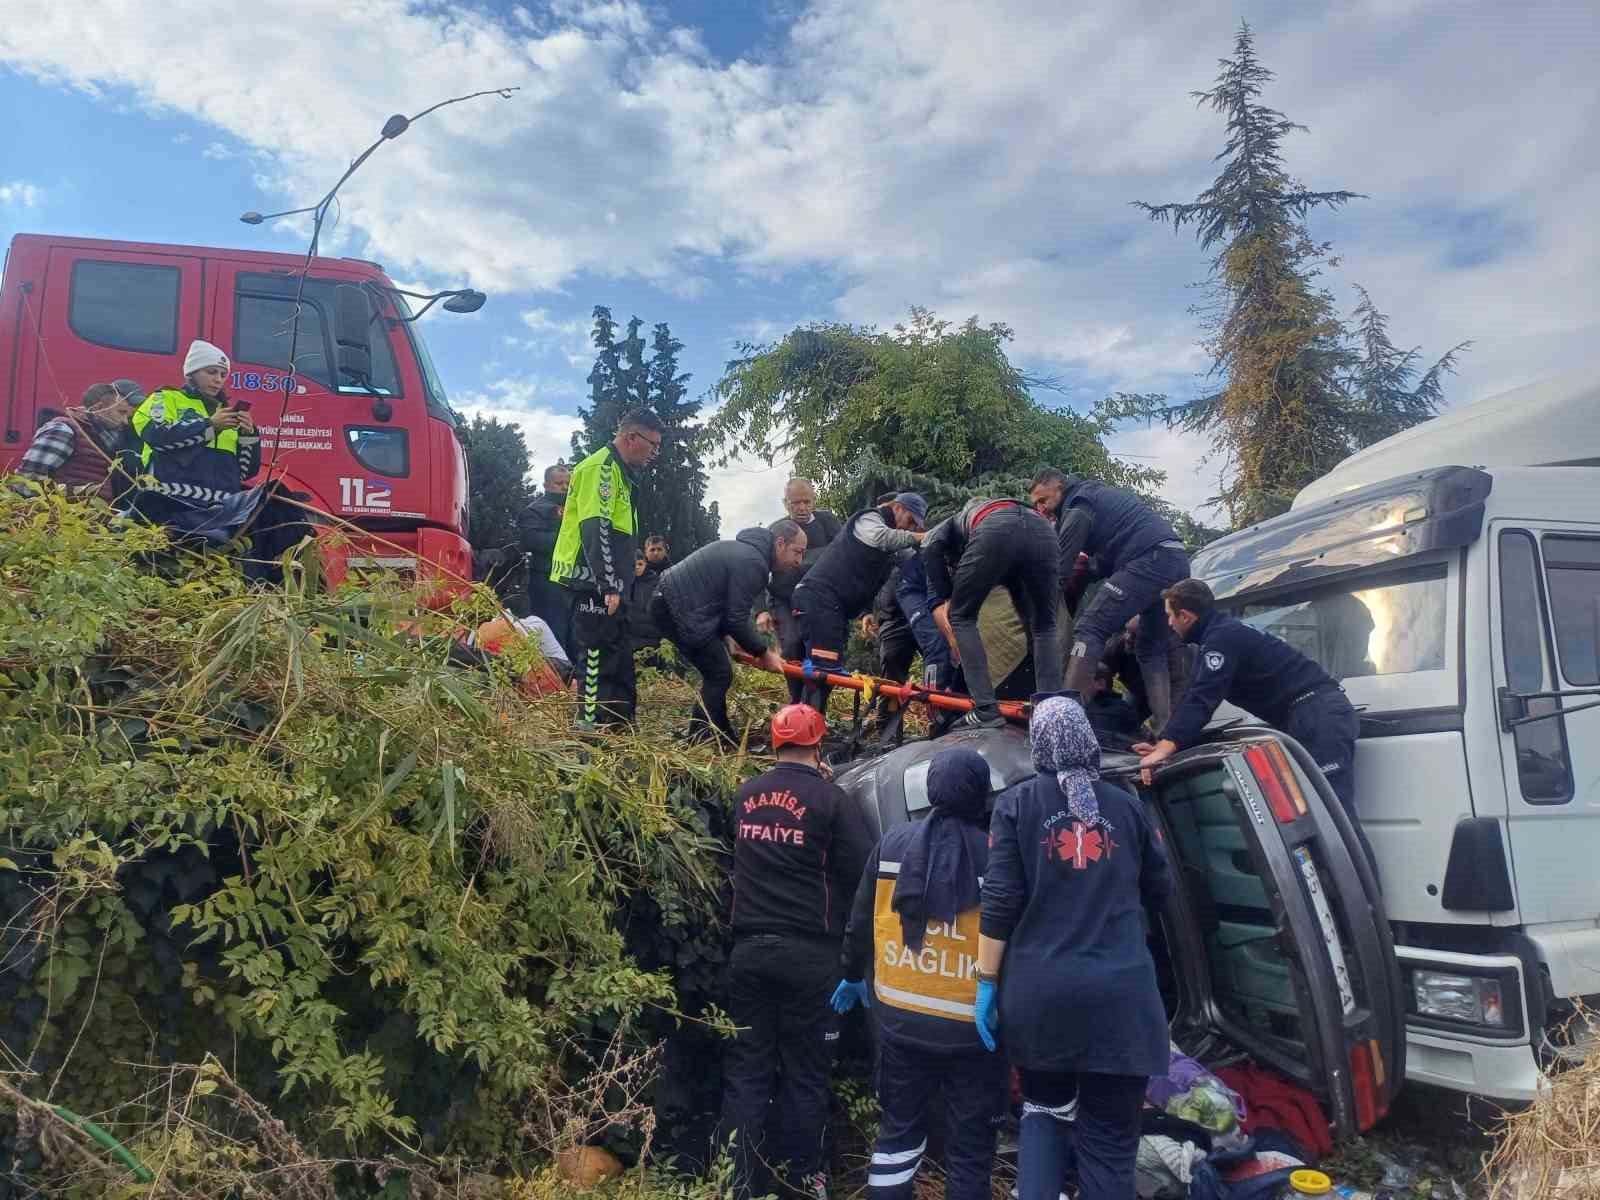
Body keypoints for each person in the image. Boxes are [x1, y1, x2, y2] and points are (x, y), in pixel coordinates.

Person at [977, 695, 1173, 1200]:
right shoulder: (1127, 807)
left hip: (1043, 998)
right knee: (1108, 1141)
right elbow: (1164, 890)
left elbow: (998, 902)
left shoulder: (1016, 806)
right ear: (1086, 740)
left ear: (1039, 744)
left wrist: (985, 984)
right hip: (1122, 1001)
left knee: (1044, 1113)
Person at [834, 747, 1004, 1200]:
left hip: (901, 1021)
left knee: (897, 1140)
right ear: (980, 794)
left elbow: (860, 919)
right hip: (973, 1030)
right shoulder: (999, 855)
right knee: (969, 1152)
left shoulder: (891, 844)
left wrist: (852, 973)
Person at [719, 704, 874, 1200]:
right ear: (819, 741)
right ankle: (802, 1183)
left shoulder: (745, 796)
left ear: (775, 740)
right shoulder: (832, 801)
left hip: (748, 952)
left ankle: (736, 1184)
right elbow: (865, 876)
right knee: (807, 1074)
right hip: (811, 957)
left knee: (747, 1069)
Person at [1133, 579, 1367, 838]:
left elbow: (1203, 698)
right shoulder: (1219, 635)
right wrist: (1164, 744)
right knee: (1317, 816)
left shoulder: (1223, 638)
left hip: (1318, 713)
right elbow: (1193, 698)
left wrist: (1167, 747)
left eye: (1169, 616)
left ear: (1185, 616)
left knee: (1334, 817)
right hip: (1310, 713)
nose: (1169, 624)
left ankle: (1362, 879)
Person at [131, 340, 313, 583]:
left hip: (223, 512)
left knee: (277, 504)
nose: (218, 379)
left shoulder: (228, 414)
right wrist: (209, 426)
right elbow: (156, 435)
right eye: (211, 372)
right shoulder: (165, 398)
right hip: (170, 505)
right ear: (192, 373)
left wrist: (249, 436)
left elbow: (245, 472)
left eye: (222, 374)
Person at [1029, 468, 1190, 731]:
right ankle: (1165, 728)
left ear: (1059, 487)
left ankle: (1063, 722)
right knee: (1150, 649)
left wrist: (1040, 604)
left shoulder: (1078, 504)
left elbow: (1060, 567)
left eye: (1043, 500)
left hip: (1150, 559)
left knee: (1090, 628)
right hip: (1173, 559)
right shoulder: (1097, 500)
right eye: (1036, 503)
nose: (1041, 508)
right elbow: (1101, 562)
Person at [550, 410, 662, 728]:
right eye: (652, 445)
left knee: (620, 654)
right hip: (590, 581)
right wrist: (608, 583)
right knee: (596, 655)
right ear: (631, 438)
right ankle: (589, 729)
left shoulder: (621, 474)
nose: (655, 453)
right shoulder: (601, 468)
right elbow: (594, 527)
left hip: (611, 581)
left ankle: (620, 725)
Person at [651, 525, 801, 745]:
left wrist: (728, 638)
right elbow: (736, 618)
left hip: (668, 602)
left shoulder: (745, 553)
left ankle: (721, 737)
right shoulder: (754, 563)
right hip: (676, 607)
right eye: (797, 551)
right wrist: (764, 653)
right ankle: (701, 740)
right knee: (719, 674)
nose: (799, 560)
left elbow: (721, 605)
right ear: (780, 544)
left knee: (717, 673)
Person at [921, 497, 1061, 730]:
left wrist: (946, 596)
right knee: (1044, 626)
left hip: (998, 528)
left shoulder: (955, 522)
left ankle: (985, 708)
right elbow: (1017, 590)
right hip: (1044, 531)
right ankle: (1053, 709)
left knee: (961, 616)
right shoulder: (1008, 546)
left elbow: (928, 544)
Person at [791, 492, 928, 713]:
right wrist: (922, 537)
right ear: (898, 507)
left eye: (915, 526)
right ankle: (805, 736)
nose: (910, 528)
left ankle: (807, 726)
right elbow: (883, 538)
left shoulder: (893, 543)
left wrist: (866, 612)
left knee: (826, 672)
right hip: (819, 600)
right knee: (821, 672)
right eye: (911, 521)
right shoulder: (869, 520)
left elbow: (910, 559)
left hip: (832, 607)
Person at [760, 478, 845, 703]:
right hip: (783, 599)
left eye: (806, 502)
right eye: (795, 503)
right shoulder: (777, 530)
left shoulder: (828, 522)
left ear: (814, 500)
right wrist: (760, 610)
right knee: (792, 644)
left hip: (818, 600)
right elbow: (761, 569)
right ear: (785, 503)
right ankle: (796, 702)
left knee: (822, 651)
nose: (801, 508)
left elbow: (843, 555)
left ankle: (816, 707)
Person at [14, 379, 142, 504]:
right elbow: (25, 482)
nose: (125, 421)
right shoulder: (64, 430)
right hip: (65, 520)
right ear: (100, 407)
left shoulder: (111, 436)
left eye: (128, 416)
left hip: (90, 520)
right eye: (121, 412)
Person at [1102, 614, 1192, 735]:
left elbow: (1179, 689)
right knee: (1124, 722)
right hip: (1137, 692)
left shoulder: (1174, 653)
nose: (1128, 638)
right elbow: (1103, 673)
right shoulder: (1118, 645)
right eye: (1127, 631)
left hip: (1168, 695)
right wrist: (1105, 703)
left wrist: (1161, 724)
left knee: (1169, 728)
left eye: (1135, 636)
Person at [522, 463, 572, 652]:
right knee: (553, 633)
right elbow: (531, 540)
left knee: (575, 634)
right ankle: (554, 678)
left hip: (573, 581)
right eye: (560, 483)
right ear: (546, 485)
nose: (565, 488)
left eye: (568, 483)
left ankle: (576, 678)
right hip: (547, 580)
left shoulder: (577, 508)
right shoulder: (535, 510)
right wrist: (567, 538)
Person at [1084, 661, 1143, 747]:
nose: (1076, 685)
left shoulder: (1103, 712)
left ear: (1100, 684)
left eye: (1082, 680)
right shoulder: (1125, 709)